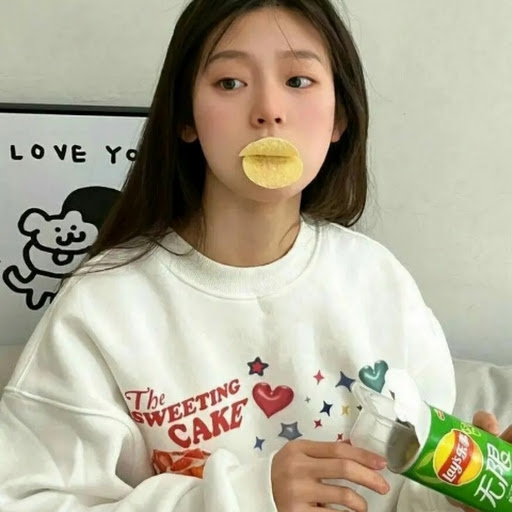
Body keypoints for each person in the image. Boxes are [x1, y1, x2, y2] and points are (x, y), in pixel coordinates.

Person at [0, 1, 509, 511]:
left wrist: (462, 501)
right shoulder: (102, 308)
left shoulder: (378, 282)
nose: (268, 110)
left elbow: (408, 491)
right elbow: (24, 498)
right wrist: (245, 498)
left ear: (340, 117)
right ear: (186, 118)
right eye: (230, 83)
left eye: (298, 80)